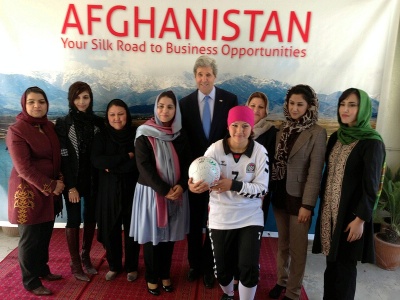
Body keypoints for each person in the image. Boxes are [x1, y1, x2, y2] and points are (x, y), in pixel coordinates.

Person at [189, 106, 269, 300]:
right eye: (235, 125)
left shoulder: (259, 152)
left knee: (248, 268)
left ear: (252, 128)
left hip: (250, 216)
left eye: (245, 126)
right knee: (223, 271)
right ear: (228, 126)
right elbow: (199, 174)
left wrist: (233, 185)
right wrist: (193, 186)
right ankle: (229, 294)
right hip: (221, 217)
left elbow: (262, 189)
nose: (239, 131)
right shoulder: (215, 149)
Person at [312, 88, 385, 300]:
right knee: (331, 265)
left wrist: (360, 219)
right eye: (342, 104)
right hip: (330, 213)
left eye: (352, 105)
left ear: (362, 109)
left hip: (351, 217)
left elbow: (371, 186)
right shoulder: (336, 137)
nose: (345, 109)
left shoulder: (372, 142)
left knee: (345, 269)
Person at [180, 55, 238, 288]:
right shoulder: (184, 104)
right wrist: (189, 176)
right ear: (195, 77)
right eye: (200, 74)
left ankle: (209, 265)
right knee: (194, 222)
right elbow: (183, 143)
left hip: (221, 175)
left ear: (215, 76)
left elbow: (233, 136)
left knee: (215, 222)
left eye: (208, 74)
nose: (204, 79)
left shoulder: (230, 99)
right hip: (196, 176)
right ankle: (194, 264)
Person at [130, 90, 190, 296]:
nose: (165, 111)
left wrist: (182, 186)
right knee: (152, 238)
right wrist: (164, 190)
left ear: (176, 110)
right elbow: (144, 167)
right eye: (161, 106)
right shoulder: (144, 134)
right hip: (151, 194)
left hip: (176, 192)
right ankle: (152, 277)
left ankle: (165, 273)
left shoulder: (180, 134)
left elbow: (188, 164)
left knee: (169, 237)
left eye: (170, 107)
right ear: (155, 108)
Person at [269, 84, 327, 300]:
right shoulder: (283, 128)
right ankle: (280, 281)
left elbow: (315, 172)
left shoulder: (317, 133)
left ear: (309, 106)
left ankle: (293, 292)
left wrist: (308, 205)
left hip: (300, 199)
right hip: (280, 194)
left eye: (299, 104)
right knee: (282, 243)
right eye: (291, 103)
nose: (294, 108)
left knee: (298, 248)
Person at [6, 86, 65, 295]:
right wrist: (52, 186)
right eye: (31, 102)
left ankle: (42, 270)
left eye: (41, 101)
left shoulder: (48, 126)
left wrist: (59, 177)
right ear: (24, 104)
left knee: (44, 234)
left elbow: (54, 157)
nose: (37, 105)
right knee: (31, 238)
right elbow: (24, 168)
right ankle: (30, 281)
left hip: (49, 192)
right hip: (29, 192)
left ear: (47, 104)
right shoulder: (17, 131)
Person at [55, 81, 104, 281]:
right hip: (73, 181)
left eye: (85, 97)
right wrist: (71, 186)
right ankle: (75, 263)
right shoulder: (63, 123)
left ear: (90, 99)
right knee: (74, 220)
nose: (81, 102)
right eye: (77, 97)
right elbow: (63, 155)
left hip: (93, 180)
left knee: (91, 218)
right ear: (71, 99)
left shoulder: (98, 123)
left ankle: (86, 257)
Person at [91, 99, 140, 282]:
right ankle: (114, 265)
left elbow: (137, 163)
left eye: (120, 114)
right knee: (110, 229)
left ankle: (132, 266)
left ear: (126, 114)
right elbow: (97, 161)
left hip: (132, 189)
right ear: (107, 117)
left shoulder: (136, 135)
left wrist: (113, 165)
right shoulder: (101, 136)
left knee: (131, 230)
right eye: (112, 114)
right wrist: (124, 156)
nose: (117, 118)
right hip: (108, 191)